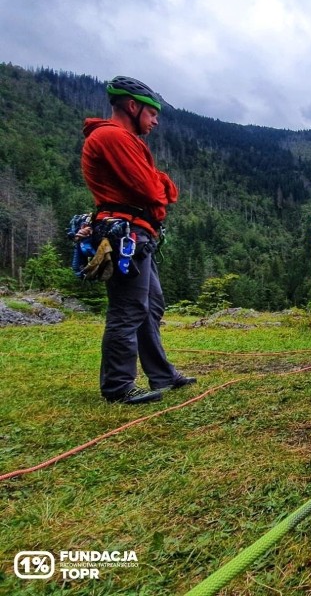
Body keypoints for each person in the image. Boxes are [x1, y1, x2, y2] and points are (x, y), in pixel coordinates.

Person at [81, 76, 195, 405]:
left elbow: (160, 188)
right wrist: (158, 184)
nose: (156, 120)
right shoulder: (113, 137)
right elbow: (152, 190)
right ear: (133, 107)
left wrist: (158, 185)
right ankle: (118, 386)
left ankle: (161, 373)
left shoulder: (122, 139)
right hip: (124, 233)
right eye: (152, 113)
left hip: (136, 234)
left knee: (151, 305)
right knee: (128, 309)